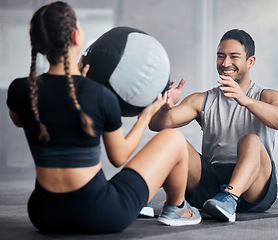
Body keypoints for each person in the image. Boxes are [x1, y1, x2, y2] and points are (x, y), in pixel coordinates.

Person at [6, 1, 201, 234]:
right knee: (173, 139)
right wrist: (146, 114)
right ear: (76, 37)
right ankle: (177, 208)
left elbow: (20, 120)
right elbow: (119, 157)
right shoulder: (97, 95)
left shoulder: (21, 90)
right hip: (98, 214)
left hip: (44, 214)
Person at [149, 29, 278, 222]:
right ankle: (141, 197)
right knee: (172, 140)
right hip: (212, 182)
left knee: (251, 140)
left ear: (250, 61)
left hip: (254, 187)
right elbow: (157, 125)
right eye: (220, 56)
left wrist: (245, 100)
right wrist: (165, 108)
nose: (225, 63)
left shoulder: (268, 96)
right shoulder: (202, 100)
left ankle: (230, 198)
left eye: (234, 57)